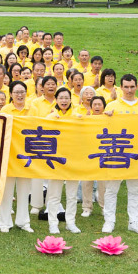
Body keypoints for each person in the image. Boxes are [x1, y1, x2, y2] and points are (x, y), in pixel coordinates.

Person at [102, 74, 138, 235]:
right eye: (126, 87)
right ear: (120, 87)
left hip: (135, 154)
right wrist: (105, 118)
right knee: (111, 189)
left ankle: (134, 221)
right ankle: (109, 221)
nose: (129, 90)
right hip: (116, 153)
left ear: (137, 87)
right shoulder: (111, 106)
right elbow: (102, 129)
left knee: (135, 189)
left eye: (132, 87)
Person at [0, 81, 34, 233]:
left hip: (26, 155)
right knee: (6, 191)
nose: (20, 95)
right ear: (11, 94)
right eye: (16, 92)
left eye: (22, 92)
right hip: (9, 154)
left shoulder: (33, 109)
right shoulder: (6, 110)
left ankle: (23, 221)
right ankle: (4, 222)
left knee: (25, 190)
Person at [44, 87, 81, 234]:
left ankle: (70, 222)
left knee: (72, 194)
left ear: (70, 100)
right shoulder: (50, 117)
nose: (64, 101)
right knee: (54, 194)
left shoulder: (78, 116)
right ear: (56, 100)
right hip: (56, 160)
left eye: (66, 98)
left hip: (73, 160)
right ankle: (53, 223)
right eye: (61, 98)